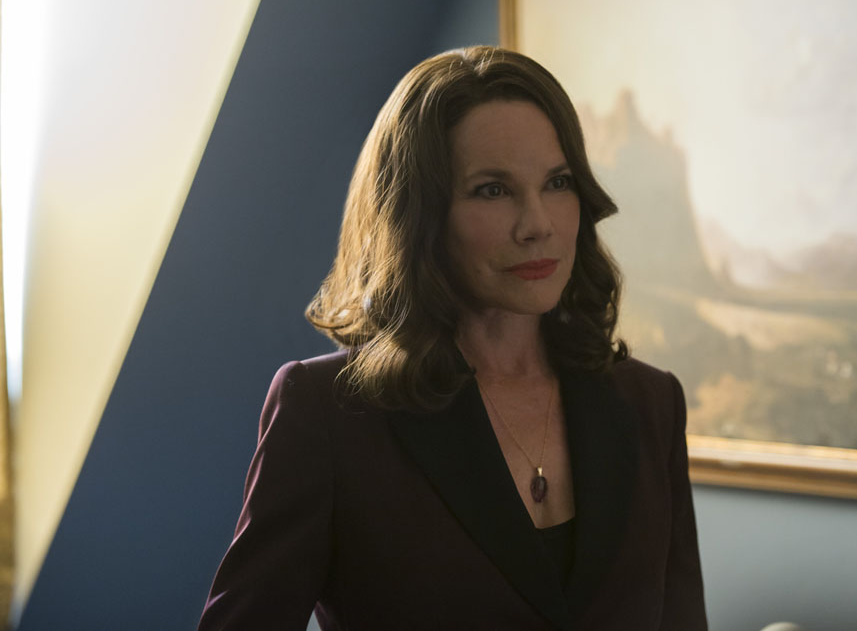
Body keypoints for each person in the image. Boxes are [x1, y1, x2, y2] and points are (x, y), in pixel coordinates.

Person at [198, 45, 707, 630]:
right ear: (418, 215)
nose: (537, 224)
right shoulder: (328, 413)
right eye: (493, 190)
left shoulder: (651, 403)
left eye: (558, 182)